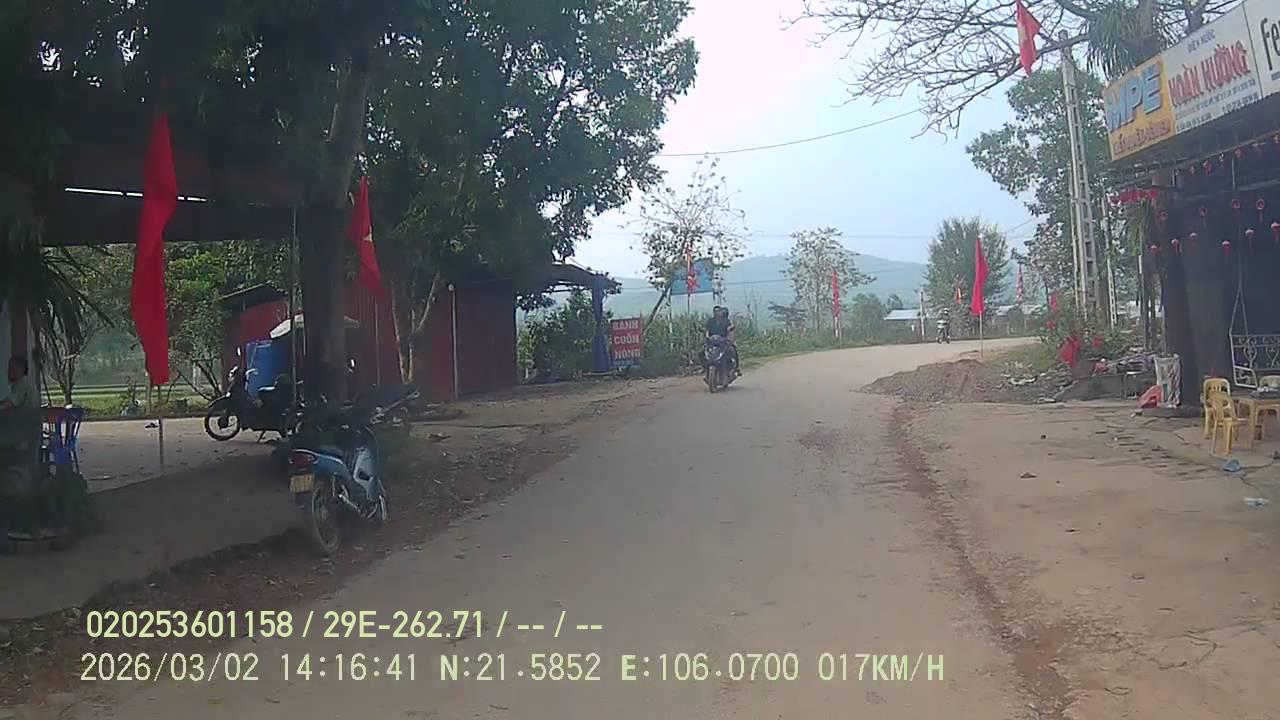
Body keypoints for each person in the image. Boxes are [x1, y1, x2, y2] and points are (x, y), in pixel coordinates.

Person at [704, 306, 741, 376]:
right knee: (702, 352)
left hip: (723, 342)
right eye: (715, 311)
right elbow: (707, 331)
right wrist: (707, 337)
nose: (717, 313)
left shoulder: (726, 321)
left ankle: (735, 367)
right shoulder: (710, 321)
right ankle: (705, 368)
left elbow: (731, 331)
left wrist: (729, 339)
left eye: (718, 311)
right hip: (712, 342)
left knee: (732, 350)